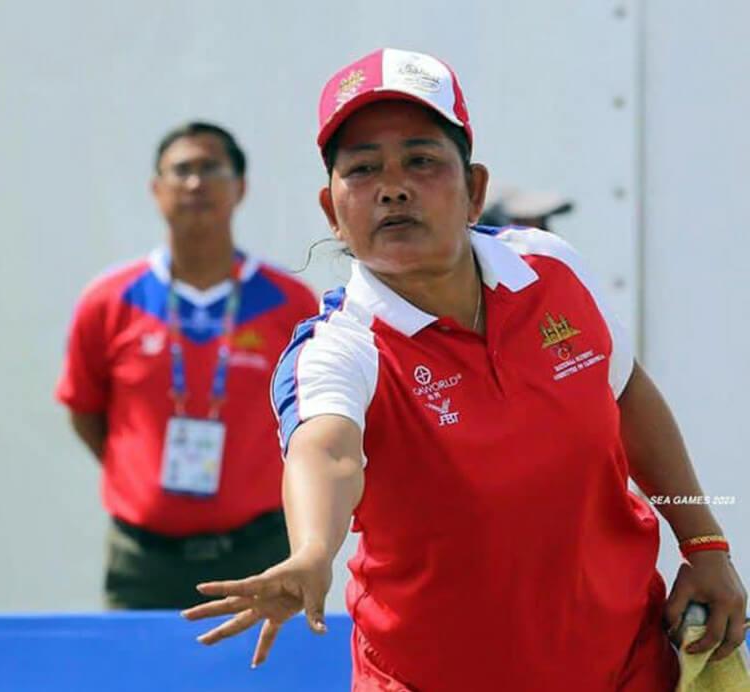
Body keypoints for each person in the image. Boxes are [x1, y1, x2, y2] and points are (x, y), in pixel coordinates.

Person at [181, 50, 748, 690]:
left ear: (475, 190)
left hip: (625, 668)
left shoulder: (551, 268)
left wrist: (704, 544)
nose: (393, 187)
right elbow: (328, 452)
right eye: (363, 169)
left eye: (421, 161)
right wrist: (313, 550)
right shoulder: (338, 346)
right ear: (332, 211)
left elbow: (627, 395)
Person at [56, 122, 317, 609]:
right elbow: (85, 408)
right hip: (143, 558)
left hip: (259, 550)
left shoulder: (289, 303)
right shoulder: (110, 300)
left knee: (262, 662)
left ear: (241, 188)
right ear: (156, 190)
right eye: (181, 170)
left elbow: (313, 420)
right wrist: (139, 478)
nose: (196, 183)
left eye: (211, 169)